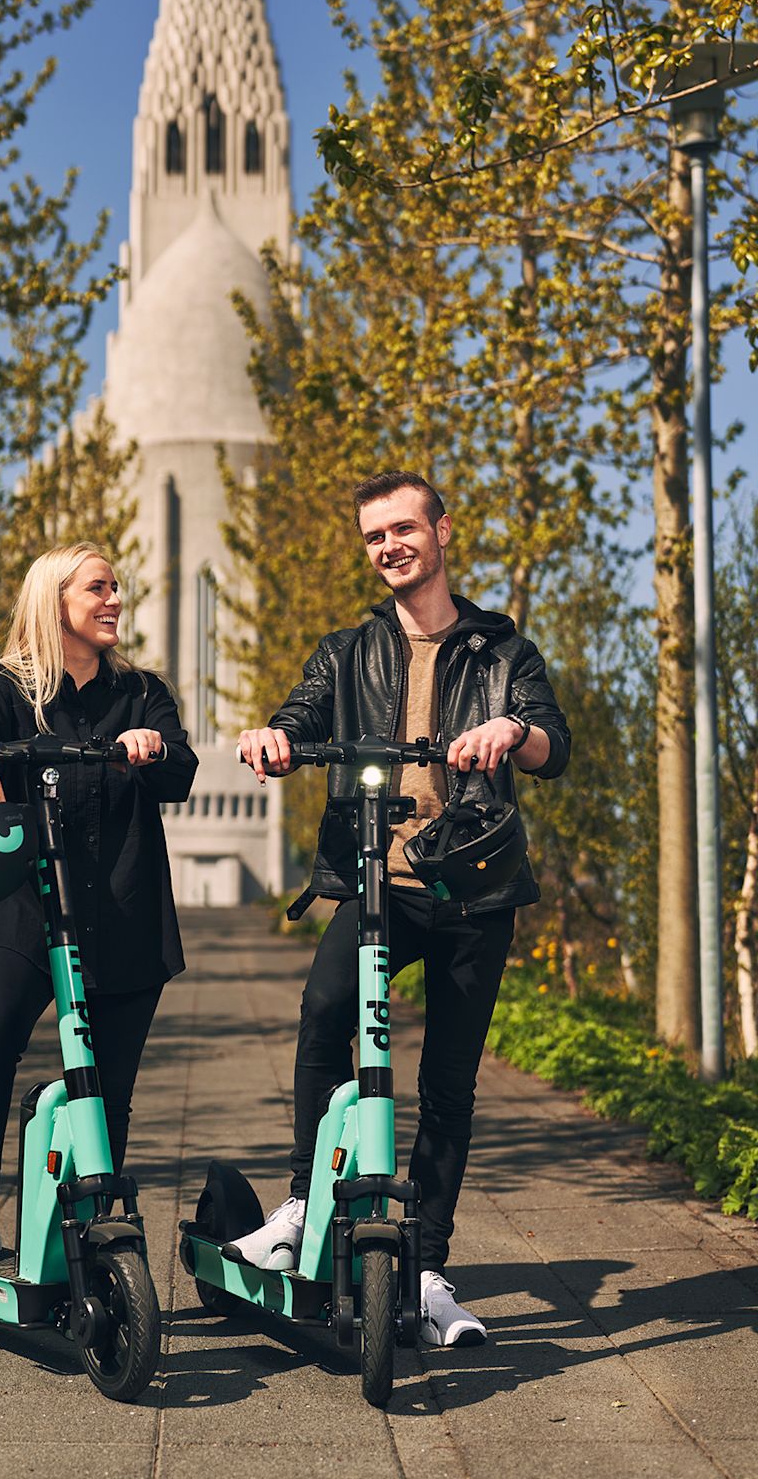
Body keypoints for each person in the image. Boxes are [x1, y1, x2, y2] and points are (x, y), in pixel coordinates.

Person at [231, 472, 570, 1346]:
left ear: (442, 532)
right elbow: (300, 714)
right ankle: (304, 1205)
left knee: (448, 1085)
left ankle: (424, 1267)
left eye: (403, 529)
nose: (390, 546)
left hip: (474, 888)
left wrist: (512, 732)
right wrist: (274, 737)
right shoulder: (348, 651)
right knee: (322, 1015)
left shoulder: (502, 651)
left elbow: (551, 742)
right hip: (378, 885)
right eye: (375, 536)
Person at [0, 541, 197, 1265]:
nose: (114, 600)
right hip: (23, 910)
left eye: (116, 588)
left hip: (125, 912)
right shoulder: (6, 687)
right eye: (98, 588)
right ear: (55, 600)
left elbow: (180, 769)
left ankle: (91, 1225)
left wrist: (152, 746)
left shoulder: (141, 691)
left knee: (107, 1089)